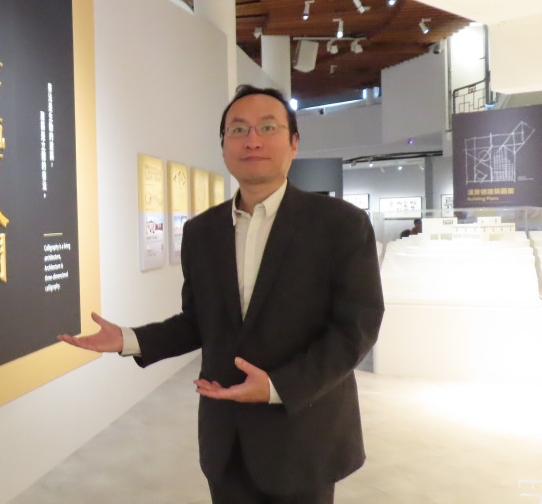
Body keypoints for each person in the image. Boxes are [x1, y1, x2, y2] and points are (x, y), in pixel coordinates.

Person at [59, 85, 384, 503]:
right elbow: (199, 321)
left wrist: (277, 386)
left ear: (293, 143)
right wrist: (129, 339)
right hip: (225, 439)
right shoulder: (202, 231)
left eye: (268, 127)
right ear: (224, 145)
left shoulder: (340, 224)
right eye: (238, 129)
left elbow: (356, 328)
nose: (252, 140)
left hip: (303, 433)